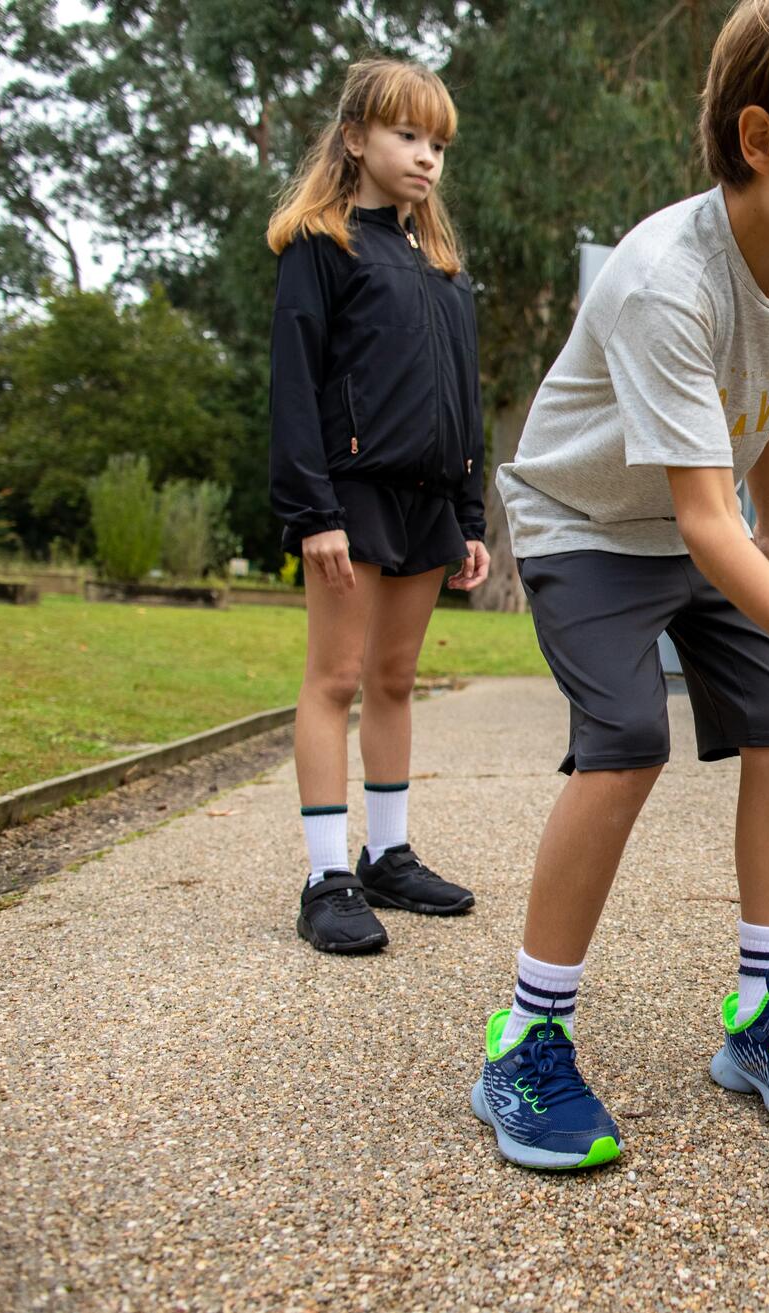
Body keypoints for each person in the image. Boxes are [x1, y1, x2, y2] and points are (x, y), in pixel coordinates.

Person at [470, 0, 769, 1170]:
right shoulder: (662, 281)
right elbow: (696, 514)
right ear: (758, 140)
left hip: (704, 529)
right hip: (585, 525)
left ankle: (760, 1014)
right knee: (627, 735)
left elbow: (759, 407)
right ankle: (524, 1039)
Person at [266, 58, 490, 956]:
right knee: (334, 679)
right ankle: (327, 875)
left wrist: (471, 519)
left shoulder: (443, 269)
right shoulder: (321, 247)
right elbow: (293, 387)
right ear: (356, 137)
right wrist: (314, 509)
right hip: (349, 499)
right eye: (408, 135)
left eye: (438, 142)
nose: (427, 156)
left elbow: (466, 398)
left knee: (394, 681)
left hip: (428, 504)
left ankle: (388, 855)